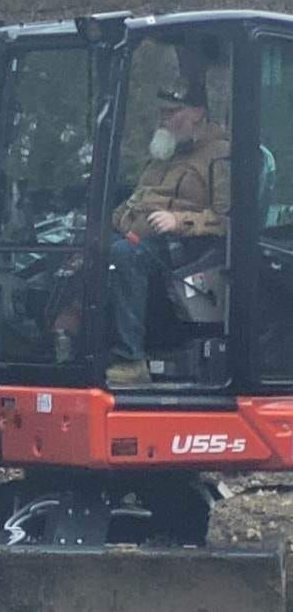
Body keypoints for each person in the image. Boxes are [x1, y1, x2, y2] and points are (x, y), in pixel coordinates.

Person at [104, 83, 230, 386]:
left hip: (189, 250)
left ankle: (131, 359)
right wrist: (114, 219)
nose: (164, 119)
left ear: (198, 112)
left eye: (173, 112)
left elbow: (227, 220)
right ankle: (66, 342)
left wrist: (178, 220)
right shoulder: (164, 152)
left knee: (125, 253)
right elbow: (137, 198)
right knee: (86, 247)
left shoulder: (221, 155)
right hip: (141, 239)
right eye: (162, 112)